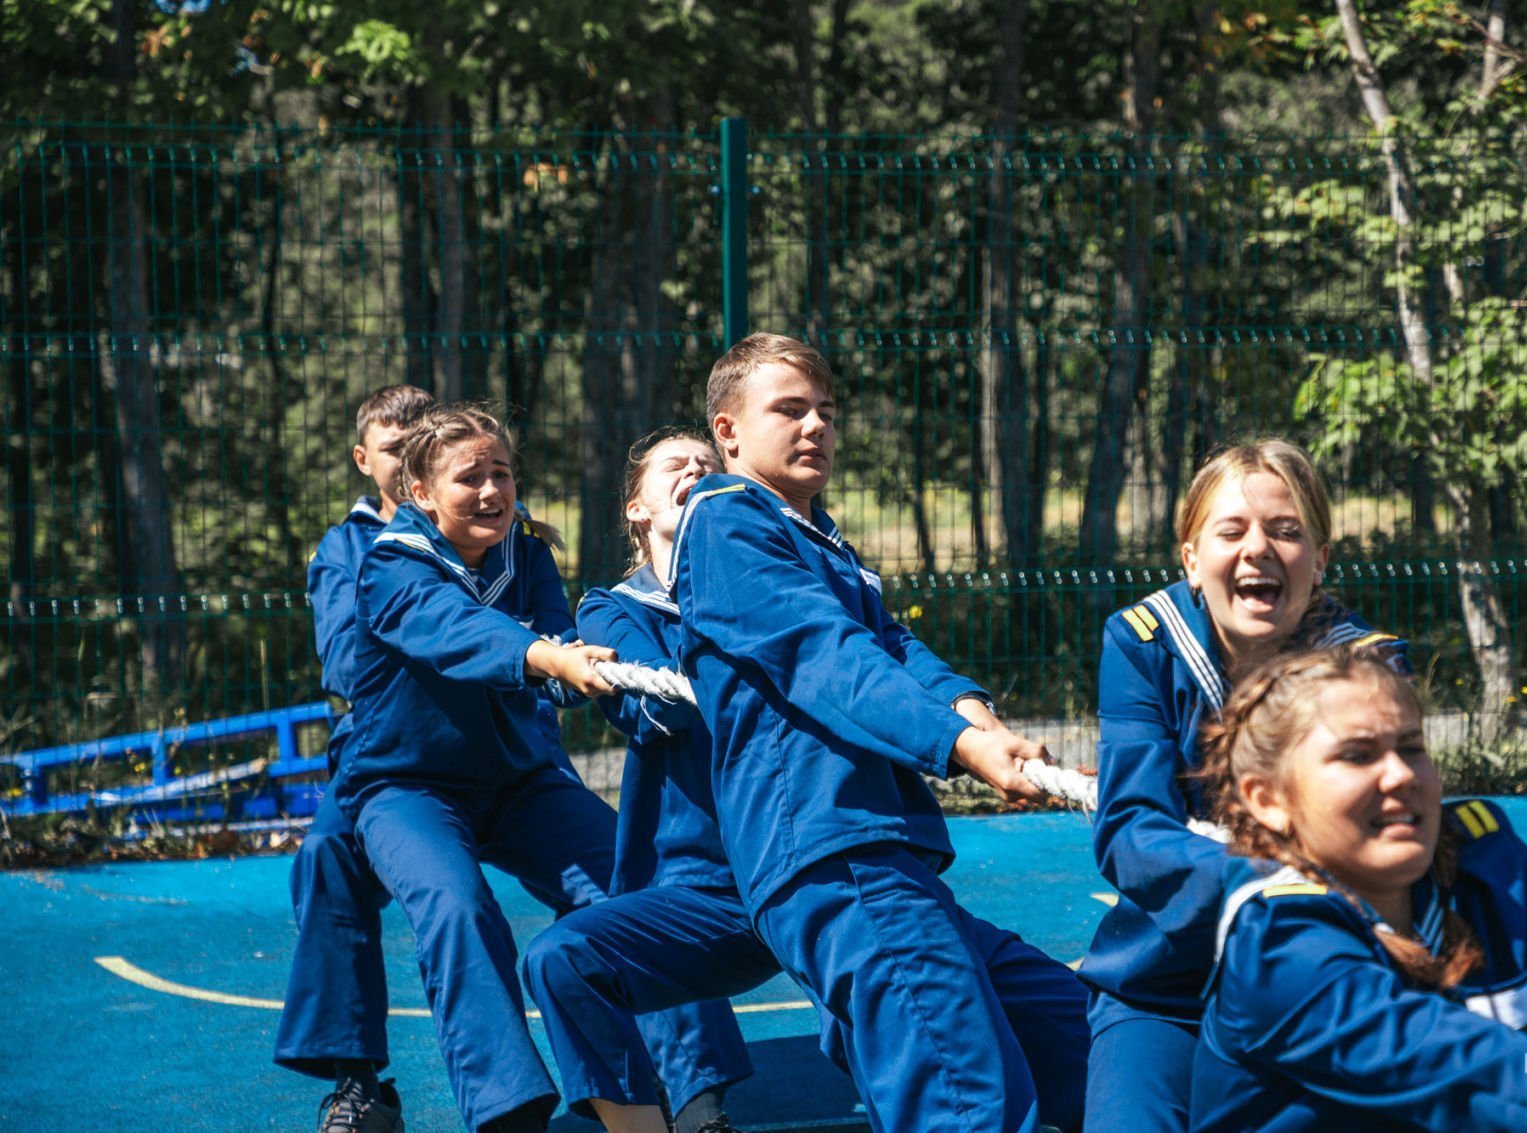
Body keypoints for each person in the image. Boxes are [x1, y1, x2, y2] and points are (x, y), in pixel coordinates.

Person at [666, 333, 1091, 1133]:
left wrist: (973, 712)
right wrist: (961, 746)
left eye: (826, 412)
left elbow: (894, 645)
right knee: (968, 1105)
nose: (816, 426)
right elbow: (826, 655)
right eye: (790, 410)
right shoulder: (726, 522)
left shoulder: (821, 539)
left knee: (1087, 1042)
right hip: (837, 855)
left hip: (888, 863)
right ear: (727, 431)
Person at [332, 404, 733, 1133]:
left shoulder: (526, 554)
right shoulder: (390, 564)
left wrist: (582, 667)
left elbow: (557, 650)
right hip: (406, 786)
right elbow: (456, 630)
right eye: (470, 478)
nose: (492, 490)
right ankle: (509, 1114)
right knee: (457, 907)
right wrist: (546, 657)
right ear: (422, 492)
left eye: (502, 473)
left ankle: (696, 1103)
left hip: (520, 783)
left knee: (635, 883)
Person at [1192, 645, 1527, 1130]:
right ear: (1268, 800)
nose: (1400, 775)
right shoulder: (1279, 944)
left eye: (1411, 747)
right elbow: (1489, 1075)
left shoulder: (1487, 864)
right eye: (1357, 755)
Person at [1075, 440, 1408, 1132]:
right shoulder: (1143, 644)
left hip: (1314, 988)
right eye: (1231, 531)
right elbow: (1131, 829)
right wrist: (1260, 877)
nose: (1258, 548)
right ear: (1192, 559)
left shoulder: (1365, 667)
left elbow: (1387, 841)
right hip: (1163, 989)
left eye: (1286, 530)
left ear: (1320, 559)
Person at [523, 427, 776, 1133]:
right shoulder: (612, 609)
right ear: (636, 508)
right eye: (676, 465)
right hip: (705, 877)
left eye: (708, 464)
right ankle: (680, 1120)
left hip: (803, 853)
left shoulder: (776, 584)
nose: (696, 468)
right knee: (563, 957)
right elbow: (659, 708)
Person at [276, 384, 434, 1133]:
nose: (407, 458)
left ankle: (681, 1087)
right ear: (363, 458)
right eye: (392, 447)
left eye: (420, 441)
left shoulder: (490, 518)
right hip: (381, 744)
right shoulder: (344, 547)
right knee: (327, 853)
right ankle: (358, 1083)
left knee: (607, 863)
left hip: (499, 749)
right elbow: (345, 664)